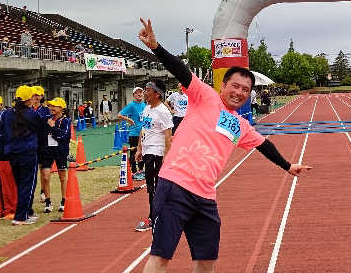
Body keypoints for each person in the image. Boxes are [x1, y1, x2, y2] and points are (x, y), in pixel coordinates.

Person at [137, 18, 311, 273]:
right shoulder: (204, 96)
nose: (240, 92)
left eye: (245, 89)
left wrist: (287, 166)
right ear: (223, 86)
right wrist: (156, 47)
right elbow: (181, 71)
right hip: (175, 186)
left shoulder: (240, 125)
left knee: (207, 260)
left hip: (205, 196)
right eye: (235, 86)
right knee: (161, 256)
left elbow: (264, 145)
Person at [0, 85, 45, 225]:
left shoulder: (6, 114)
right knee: (28, 184)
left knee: (19, 184)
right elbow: (41, 131)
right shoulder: (32, 114)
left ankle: (25, 212)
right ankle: (21, 216)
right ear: (29, 99)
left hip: (11, 153)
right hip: (27, 152)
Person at [134, 79, 173, 231]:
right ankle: (157, 215)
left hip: (157, 153)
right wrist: (139, 149)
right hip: (147, 151)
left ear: (157, 94)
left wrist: (166, 156)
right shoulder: (146, 109)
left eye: (148, 90)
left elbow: (168, 136)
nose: (145, 93)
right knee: (151, 187)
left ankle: (154, 217)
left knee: (157, 187)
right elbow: (143, 130)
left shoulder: (163, 112)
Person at [41, 98, 70, 213]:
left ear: (61, 109)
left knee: (62, 177)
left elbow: (64, 137)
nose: (51, 108)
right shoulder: (47, 119)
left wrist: (53, 128)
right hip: (47, 152)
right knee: (46, 176)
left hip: (60, 152)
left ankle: (64, 201)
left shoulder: (65, 121)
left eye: (55, 106)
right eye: (50, 106)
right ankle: (48, 202)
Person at [117, 87, 146, 181]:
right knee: (133, 152)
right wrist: (129, 119)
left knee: (143, 152)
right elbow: (119, 115)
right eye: (137, 93)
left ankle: (141, 170)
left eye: (141, 93)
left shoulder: (145, 105)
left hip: (144, 133)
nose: (139, 94)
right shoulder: (131, 105)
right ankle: (133, 172)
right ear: (133, 95)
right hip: (134, 133)